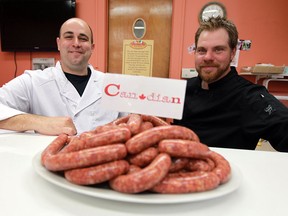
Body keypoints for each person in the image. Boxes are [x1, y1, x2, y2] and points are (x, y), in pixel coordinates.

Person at [173, 17, 288, 152]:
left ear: (232, 53)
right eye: (202, 50)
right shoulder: (181, 89)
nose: (208, 57)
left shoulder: (251, 97)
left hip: (229, 171)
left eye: (218, 50)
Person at [0, 18, 126, 136]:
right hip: (46, 159)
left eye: (83, 38)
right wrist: (39, 122)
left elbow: (138, 121)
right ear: (59, 43)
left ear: (92, 47)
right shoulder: (32, 82)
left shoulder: (114, 85)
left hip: (103, 158)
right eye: (69, 37)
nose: (76, 43)